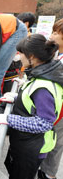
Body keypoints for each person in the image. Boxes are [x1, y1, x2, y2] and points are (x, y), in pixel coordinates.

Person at [0, 34, 63, 179]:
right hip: (26, 141)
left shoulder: (44, 87)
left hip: (33, 147)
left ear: (33, 57)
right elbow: (33, 101)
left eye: (21, 52)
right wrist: (16, 97)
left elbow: (43, 123)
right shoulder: (42, 74)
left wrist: (8, 119)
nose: (18, 56)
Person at [38, 19, 63, 179]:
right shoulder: (58, 55)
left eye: (56, 33)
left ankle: (49, 174)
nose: (52, 35)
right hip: (56, 104)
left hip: (61, 108)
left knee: (57, 140)